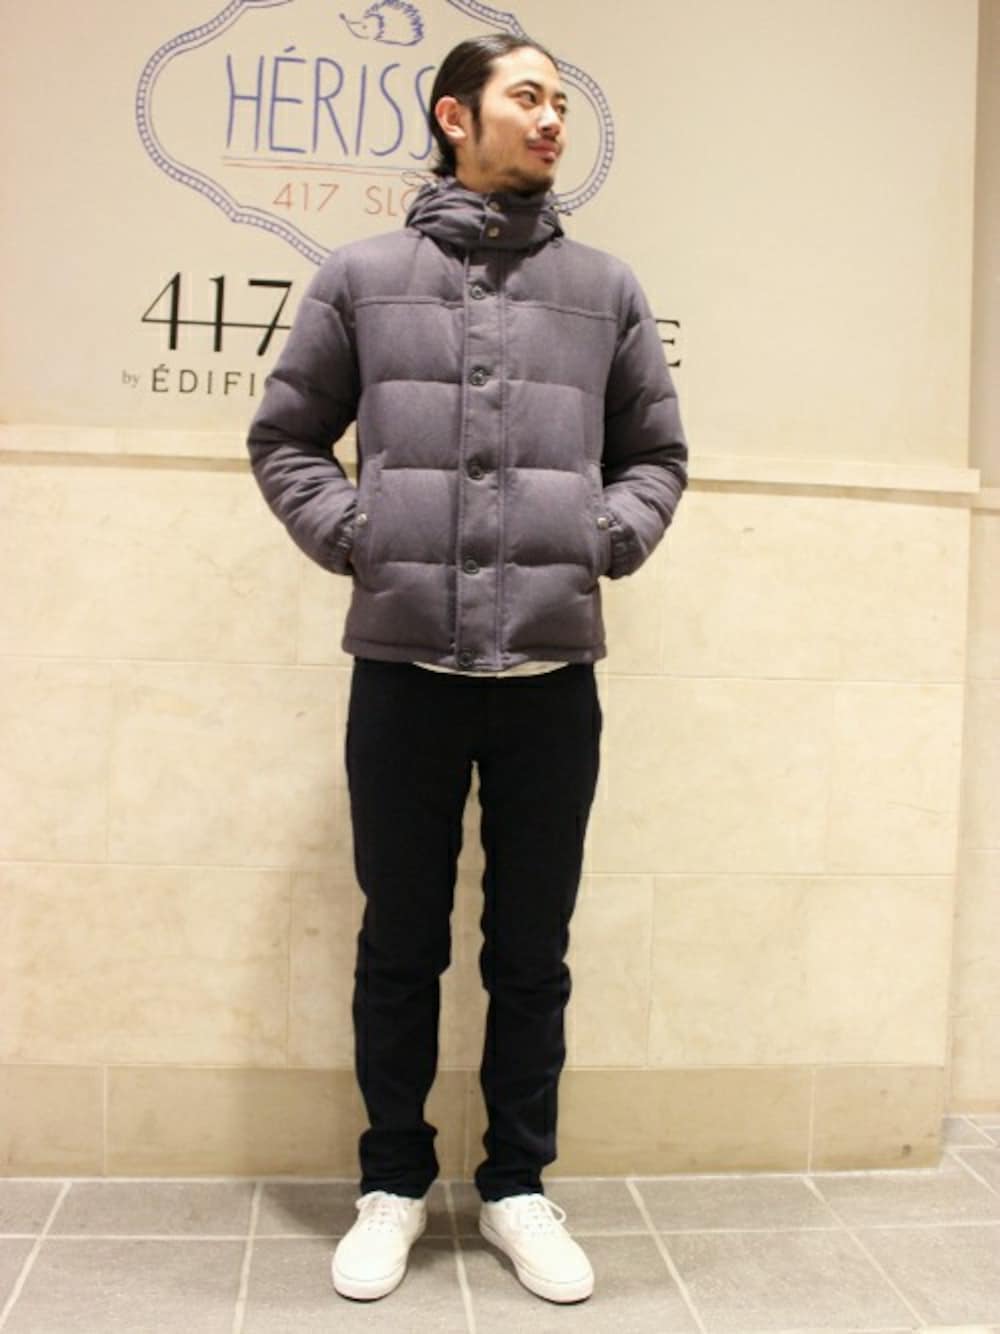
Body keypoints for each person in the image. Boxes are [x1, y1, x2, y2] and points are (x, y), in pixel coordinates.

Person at [246, 32, 688, 1305]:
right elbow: (284, 436)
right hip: (404, 666)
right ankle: (391, 1181)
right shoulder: (362, 278)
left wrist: (604, 534)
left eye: (561, 102)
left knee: (531, 949)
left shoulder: (602, 288)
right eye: (526, 96)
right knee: (399, 941)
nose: (552, 119)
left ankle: (515, 1186)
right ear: (455, 115)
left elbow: (656, 454)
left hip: (551, 669)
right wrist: (359, 533)